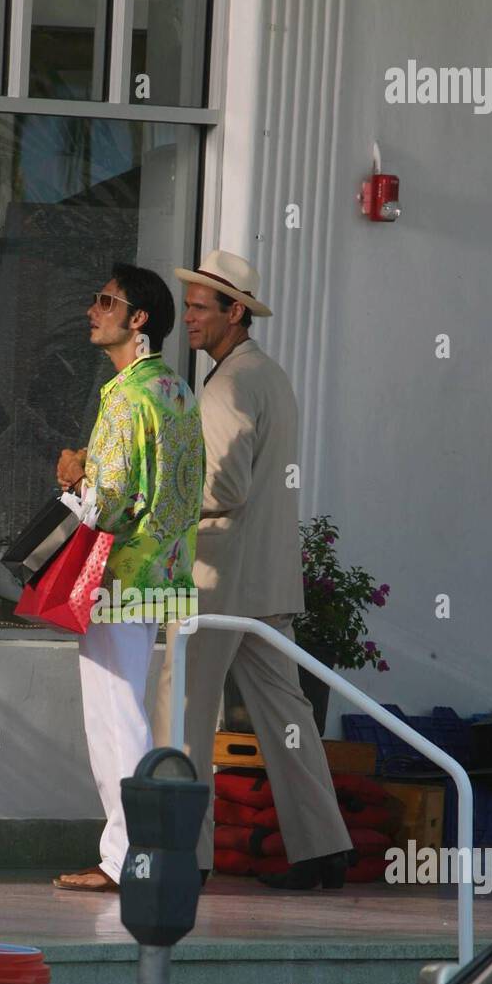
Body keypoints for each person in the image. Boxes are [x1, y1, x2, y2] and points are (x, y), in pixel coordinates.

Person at [153, 249, 353, 891]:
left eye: (199, 307)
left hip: (219, 583)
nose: (188, 317)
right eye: (186, 305)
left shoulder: (230, 382)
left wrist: (155, 494)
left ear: (235, 313)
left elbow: (223, 485)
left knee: (181, 707)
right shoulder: (270, 375)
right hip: (265, 581)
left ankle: (186, 856)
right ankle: (324, 851)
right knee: (287, 717)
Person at [52, 264, 204, 891]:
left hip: (118, 573)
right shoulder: (175, 389)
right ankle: (134, 852)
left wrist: (71, 477)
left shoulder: (124, 396)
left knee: (114, 716)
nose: (94, 309)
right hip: (164, 568)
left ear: (137, 319)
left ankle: (127, 857)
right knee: (129, 711)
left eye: (106, 301)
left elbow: (106, 504)